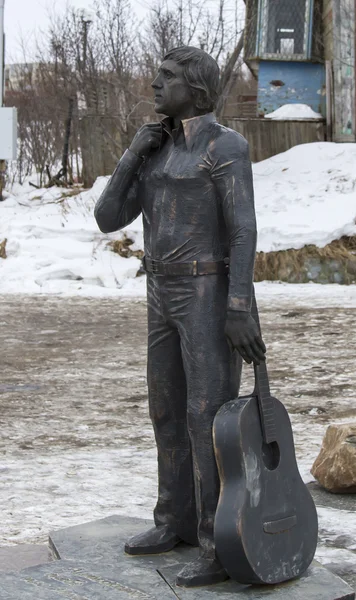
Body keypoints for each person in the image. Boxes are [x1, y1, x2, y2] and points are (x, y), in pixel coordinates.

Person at [94, 46, 265, 587]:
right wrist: (131, 154)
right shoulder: (157, 150)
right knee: (165, 411)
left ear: (195, 88)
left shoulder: (225, 146)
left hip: (208, 293)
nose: (154, 83)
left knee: (206, 418)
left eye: (166, 77)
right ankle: (174, 520)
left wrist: (238, 304)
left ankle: (218, 543)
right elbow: (107, 218)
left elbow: (243, 230)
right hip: (161, 293)